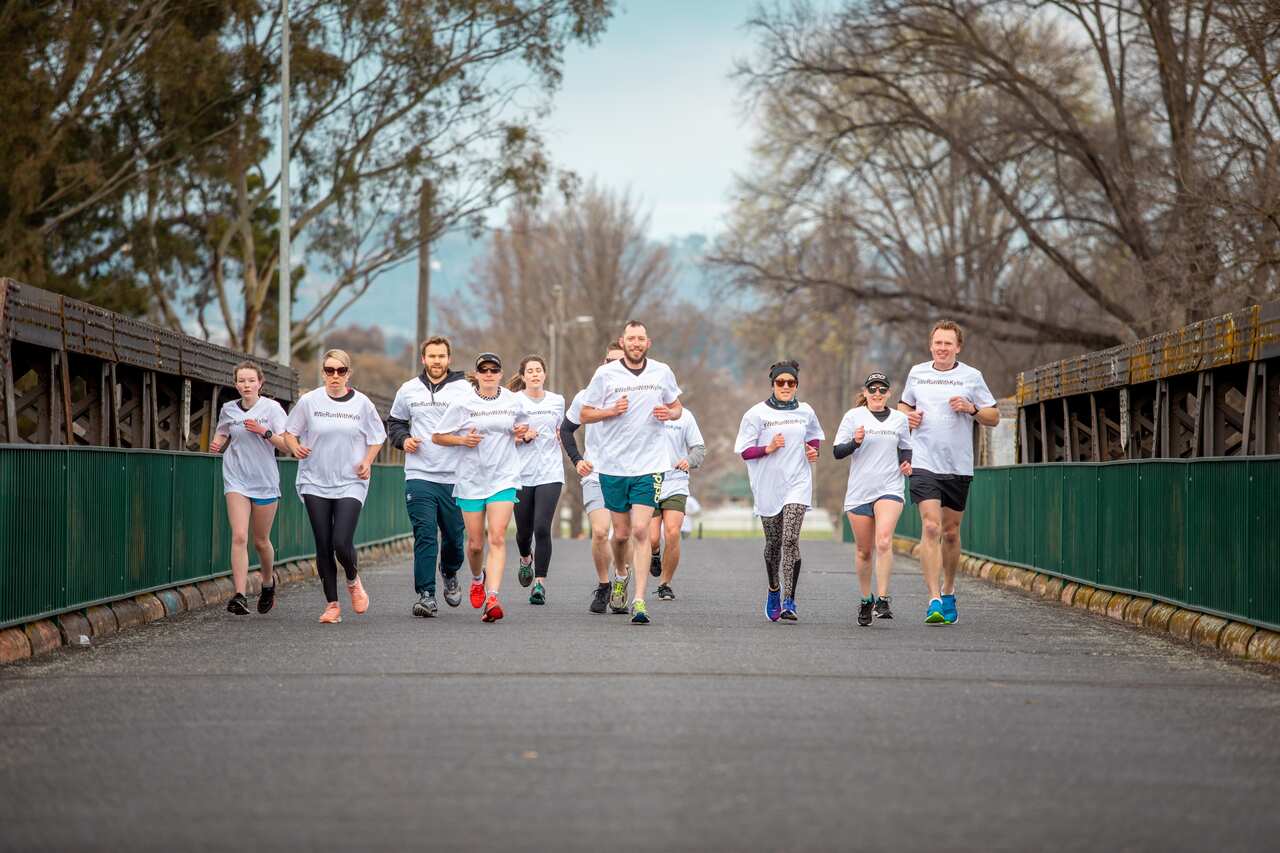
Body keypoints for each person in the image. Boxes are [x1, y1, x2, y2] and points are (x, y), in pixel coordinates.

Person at [579, 321, 683, 625]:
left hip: (649, 465)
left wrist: (669, 413)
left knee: (641, 530)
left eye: (640, 338)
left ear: (648, 343)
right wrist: (610, 411)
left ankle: (639, 601)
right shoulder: (605, 374)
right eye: (631, 338)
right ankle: (621, 575)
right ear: (622, 342)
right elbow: (585, 413)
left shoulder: (661, 371)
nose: (635, 343)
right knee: (621, 534)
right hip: (613, 466)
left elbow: (677, 407)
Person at [897, 321, 999, 625]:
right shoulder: (917, 373)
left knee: (951, 532)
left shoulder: (971, 376)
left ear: (958, 347)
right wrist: (908, 418)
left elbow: (994, 416)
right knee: (931, 527)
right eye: (938, 343)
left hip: (957, 464)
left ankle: (949, 590)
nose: (942, 348)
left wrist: (971, 408)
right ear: (931, 345)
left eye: (948, 343)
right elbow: (902, 407)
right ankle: (934, 600)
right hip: (923, 461)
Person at [282, 349, 387, 624]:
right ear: (323, 373)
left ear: (348, 374)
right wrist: (295, 447)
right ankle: (332, 605)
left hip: (351, 480)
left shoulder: (362, 404)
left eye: (340, 371)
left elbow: (378, 436)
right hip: (314, 480)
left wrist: (367, 461)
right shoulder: (309, 401)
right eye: (330, 370)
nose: (335, 376)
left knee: (341, 541)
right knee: (323, 543)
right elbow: (289, 432)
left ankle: (353, 579)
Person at [432, 353, 531, 623]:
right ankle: (478, 579)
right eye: (483, 370)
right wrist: (462, 441)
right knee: (476, 545)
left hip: (503, 476)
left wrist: (522, 432)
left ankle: (493, 597)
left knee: (497, 537)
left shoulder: (513, 400)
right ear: (476, 374)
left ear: (500, 374)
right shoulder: (463, 402)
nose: (488, 374)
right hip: (471, 479)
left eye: (493, 370)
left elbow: (523, 427)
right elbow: (437, 436)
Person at [387, 336, 471, 618]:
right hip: (419, 474)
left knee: (454, 538)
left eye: (441, 356)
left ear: (449, 359)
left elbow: (479, 420)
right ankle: (426, 595)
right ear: (423, 359)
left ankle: (449, 571)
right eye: (432, 356)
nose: (437, 361)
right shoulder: (408, 389)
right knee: (425, 534)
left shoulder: (464, 389)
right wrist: (404, 440)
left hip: (456, 476)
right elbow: (395, 422)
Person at [733, 360, 824, 622]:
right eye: (780, 382)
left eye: (791, 382)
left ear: (796, 385)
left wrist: (813, 450)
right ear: (772, 384)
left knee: (790, 540)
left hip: (798, 482)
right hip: (768, 486)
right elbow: (744, 451)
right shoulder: (756, 414)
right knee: (773, 543)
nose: (786, 386)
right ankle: (774, 589)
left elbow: (814, 435)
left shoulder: (806, 411)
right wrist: (768, 448)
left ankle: (789, 600)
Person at [210, 361, 290, 616]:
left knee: (261, 541)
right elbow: (223, 432)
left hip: (264, 481)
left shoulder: (272, 409)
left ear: (260, 383)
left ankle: (267, 583)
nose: (246, 385)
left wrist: (264, 431)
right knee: (239, 536)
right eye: (241, 381)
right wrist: (217, 442)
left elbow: (287, 445)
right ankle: (240, 594)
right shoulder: (228, 409)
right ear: (236, 384)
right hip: (236, 478)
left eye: (251, 380)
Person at [833, 372, 913, 626]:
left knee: (884, 540)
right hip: (859, 492)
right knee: (864, 551)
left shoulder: (900, 419)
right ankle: (866, 599)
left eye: (882, 389)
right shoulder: (853, 416)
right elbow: (837, 452)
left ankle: (883, 598)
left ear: (889, 393)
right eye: (872, 389)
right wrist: (855, 442)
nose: (877, 393)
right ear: (865, 393)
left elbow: (906, 446)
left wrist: (906, 462)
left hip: (890, 487)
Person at [560, 344, 628, 614]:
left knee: (622, 535)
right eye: (610, 360)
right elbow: (566, 430)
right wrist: (578, 460)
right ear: (603, 363)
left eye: (620, 361)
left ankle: (621, 578)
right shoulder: (586, 396)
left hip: (628, 473)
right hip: (596, 473)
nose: (614, 366)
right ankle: (604, 585)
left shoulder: (637, 395)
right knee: (600, 532)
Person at [509, 355, 565, 606]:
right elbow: (504, 437)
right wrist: (522, 437)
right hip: (521, 473)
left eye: (538, 370)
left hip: (550, 472)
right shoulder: (513, 401)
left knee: (542, 528)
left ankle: (539, 584)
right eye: (530, 371)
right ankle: (525, 558)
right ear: (523, 376)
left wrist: (562, 436)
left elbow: (562, 430)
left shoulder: (557, 401)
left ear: (544, 374)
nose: (534, 374)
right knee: (524, 532)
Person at [646, 407, 705, 601]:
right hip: (648, 481)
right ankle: (655, 553)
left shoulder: (685, 415)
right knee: (653, 538)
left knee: (672, 532)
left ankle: (665, 584)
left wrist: (689, 460)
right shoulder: (644, 409)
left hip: (676, 482)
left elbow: (699, 449)